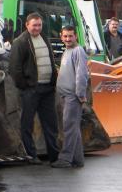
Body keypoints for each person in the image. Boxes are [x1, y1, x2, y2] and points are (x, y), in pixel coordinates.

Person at [9, 12, 59, 164]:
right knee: (27, 123)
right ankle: (31, 155)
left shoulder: (44, 38)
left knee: (50, 124)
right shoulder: (20, 42)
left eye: (39, 25)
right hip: (32, 89)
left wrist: (53, 81)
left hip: (47, 89)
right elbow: (14, 69)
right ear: (27, 25)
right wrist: (26, 86)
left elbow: (50, 60)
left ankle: (54, 156)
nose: (37, 28)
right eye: (34, 25)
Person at [52, 25, 87, 168]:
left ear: (76, 36)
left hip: (73, 96)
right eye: (65, 36)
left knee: (69, 127)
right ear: (61, 37)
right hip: (65, 95)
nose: (67, 39)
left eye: (70, 36)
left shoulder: (78, 51)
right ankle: (78, 159)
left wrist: (80, 94)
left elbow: (82, 74)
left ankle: (65, 159)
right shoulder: (67, 50)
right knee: (73, 128)